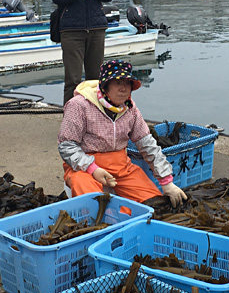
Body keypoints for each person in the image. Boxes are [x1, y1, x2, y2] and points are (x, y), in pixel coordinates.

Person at [58, 60, 187, 206]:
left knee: (154, 203)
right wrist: (93, 169)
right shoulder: (78, 105)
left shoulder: (130, 108)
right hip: (83, 167)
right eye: (118, 82)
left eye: (127, 83)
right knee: (92, 203)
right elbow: (66, 146)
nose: (123, 88)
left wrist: (166, 181)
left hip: (120, 167)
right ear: (105, 86)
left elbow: (147, 143)